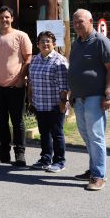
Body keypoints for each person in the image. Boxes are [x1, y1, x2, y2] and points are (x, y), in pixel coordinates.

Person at [68, 9, 110, 191]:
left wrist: (108, 94)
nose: (77, 24)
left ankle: (99, 176)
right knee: (86, 135)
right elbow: (75, 67)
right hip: (79, 98)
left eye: (80, 21)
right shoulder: (77, 43)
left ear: (90, 20)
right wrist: (72, 92)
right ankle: (93, 169)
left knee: (96, 137)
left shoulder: (101, 42)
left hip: (95, 97)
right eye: (74, 22)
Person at [0, 6, 32, 166]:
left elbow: (28, 59)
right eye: (1, 17)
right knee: (1, 121)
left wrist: (21, 78)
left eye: (7, 17)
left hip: (16, 86)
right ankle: (4, 153)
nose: (4, 20)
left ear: (12, 19)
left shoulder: (21, 36)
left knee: (17, 121)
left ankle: (20, 154)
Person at [27, 31, 69, 173]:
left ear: (54, 44)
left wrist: (63, 103)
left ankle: (59, 161)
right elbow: (31, 82)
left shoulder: (60, 61)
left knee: (57, 133)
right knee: (44, 133)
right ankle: (45, 159)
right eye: (42, 41)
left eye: (48, 41)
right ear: (37, 44)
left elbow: (64, 86)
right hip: (40, 104)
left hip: (55, 105)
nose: (45, 44)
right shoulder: (35, 60)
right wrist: (30, 99)